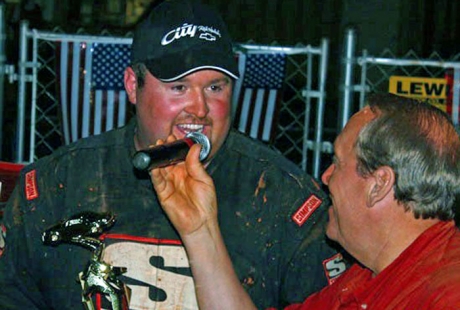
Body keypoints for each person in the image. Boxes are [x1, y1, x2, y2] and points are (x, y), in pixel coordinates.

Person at [0, 0, 348, 309]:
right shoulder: (53, 185)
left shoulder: (288, 201)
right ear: (133, 86)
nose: (199, 109)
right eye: (178, 87)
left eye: (215, 87)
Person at [150, 93, 460, 309]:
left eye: (337, 163)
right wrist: (200, 230)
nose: (325, 177)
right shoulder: (370, 276)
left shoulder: (446, 294)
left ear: (378, 184)